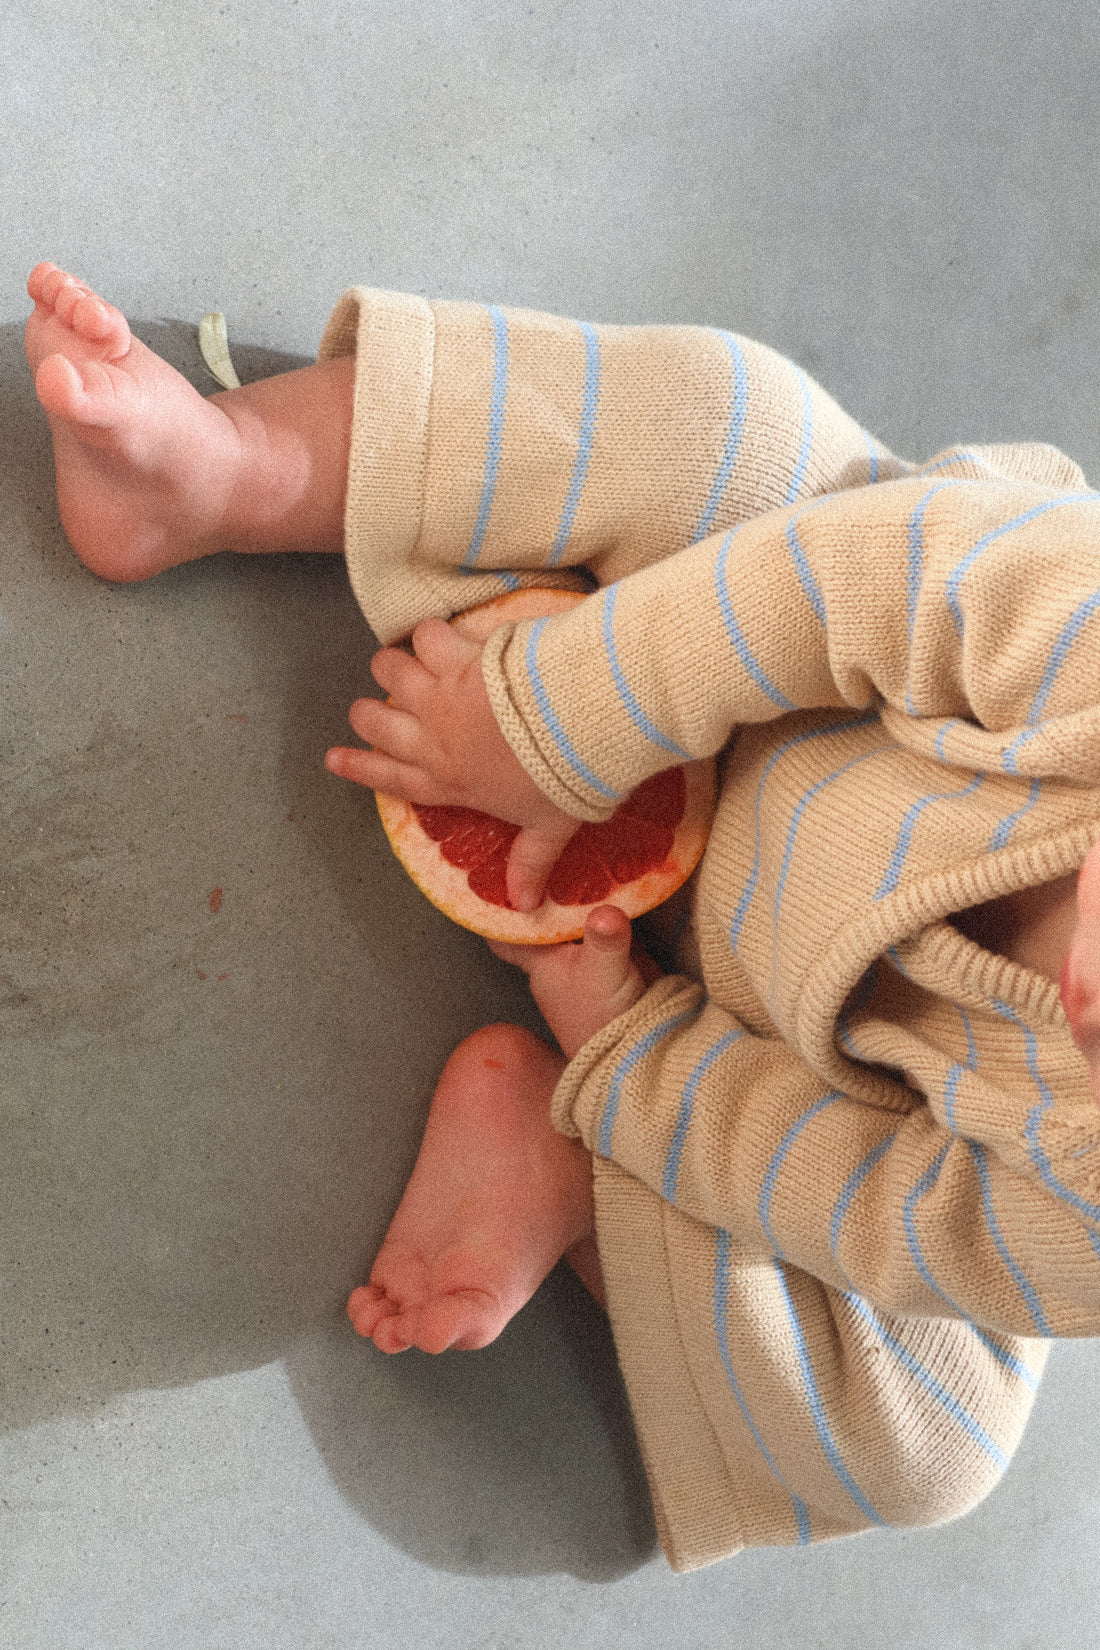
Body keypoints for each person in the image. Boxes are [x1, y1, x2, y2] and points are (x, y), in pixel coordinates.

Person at [25, 262, 1100, 1572]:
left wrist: (636, 1053)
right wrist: (557, 722)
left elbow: (876, 1200)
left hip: (785, 1052)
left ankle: (586, 1163)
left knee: (929, 1446)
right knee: (733, 421)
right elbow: (847, 584)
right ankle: (229, 470)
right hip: (779, 655)